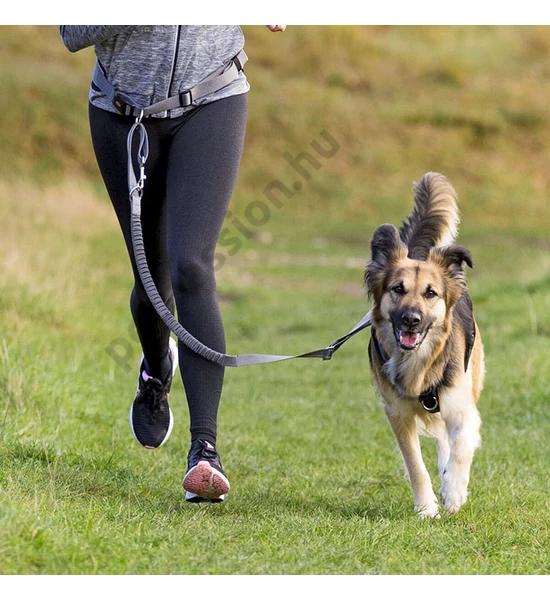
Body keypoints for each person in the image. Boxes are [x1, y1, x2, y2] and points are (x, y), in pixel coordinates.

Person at [60, 25, 286, 503]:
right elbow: (72, 31)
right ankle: (157, 370)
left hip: (213, 96)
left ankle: (205, 451)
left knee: (192, 268)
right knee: (152, 282)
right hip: (121, 114)